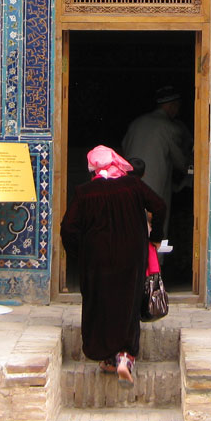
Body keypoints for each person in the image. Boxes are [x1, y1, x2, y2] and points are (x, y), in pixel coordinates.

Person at [60, 145, 166, 384]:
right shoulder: (132, 185)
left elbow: (68, 228)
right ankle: (125, 356)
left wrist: (80, 254)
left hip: (96, 260)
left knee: (100, 303)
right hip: (130, 257)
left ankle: (107, 357)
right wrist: (155, 236)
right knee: (127, 302)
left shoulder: (85, 192)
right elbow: (159, 205)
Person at [121, 85, 190, 226]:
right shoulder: (169, 127)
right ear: (172, 106)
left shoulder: (136, 123)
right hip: (154, 187)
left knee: (132, 224)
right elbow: (181, 162)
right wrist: (191, 169)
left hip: (128, 186)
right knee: (154, 225)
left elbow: (124, 147)